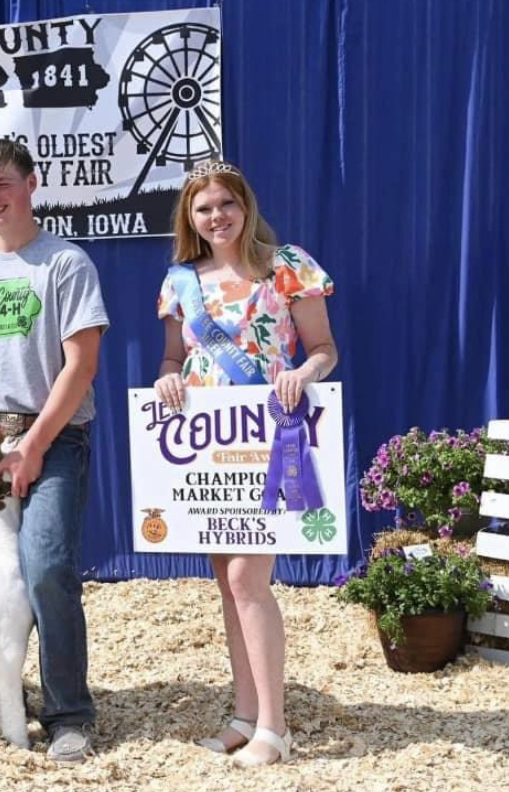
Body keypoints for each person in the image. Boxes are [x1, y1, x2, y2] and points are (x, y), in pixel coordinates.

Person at [153, 160, 337, 767]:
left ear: (244, 205)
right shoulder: (181, 281)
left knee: (246, 581)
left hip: (269, 437)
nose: (216, 217)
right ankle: (244, 713)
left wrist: (302, 373)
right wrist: (169, 381)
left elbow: (323, 350)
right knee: (226, 584)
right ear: (191, 218)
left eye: (225, 205)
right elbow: (172, 358)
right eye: (204, 209)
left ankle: (274, 728)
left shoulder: (287, 268)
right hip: (209, 447)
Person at [0, 139, 108, 764]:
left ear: (32, 184)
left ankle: (70, 714)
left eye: (2, 184)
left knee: (47, 569)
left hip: (53, 438)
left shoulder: (64, 263)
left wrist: (35, 446)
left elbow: (81, 363)